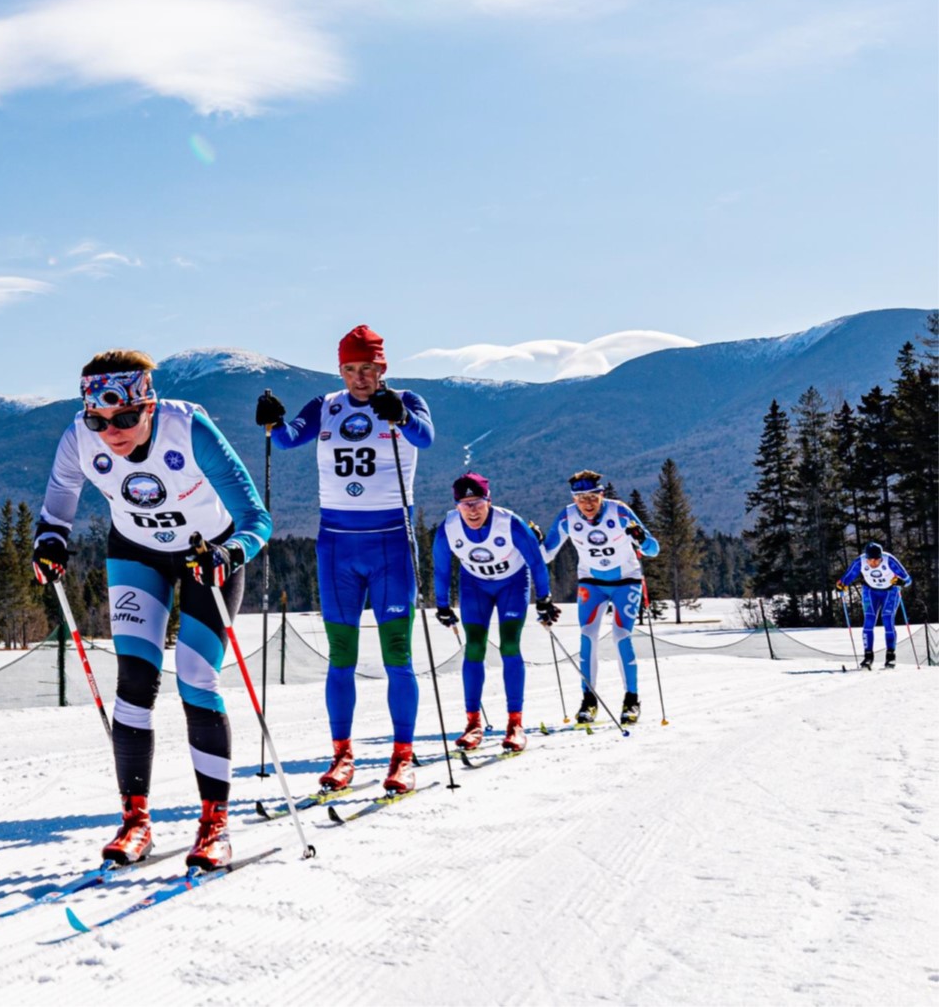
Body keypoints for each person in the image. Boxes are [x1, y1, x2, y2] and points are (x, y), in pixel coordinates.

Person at [33, 349, 271, 871]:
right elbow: (59, 502)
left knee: (195, 678)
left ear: (148, 405)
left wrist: (229, 555)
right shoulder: (79, 437)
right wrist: (50, 542)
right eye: (99, 420)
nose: (111, 431)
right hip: (136, 554)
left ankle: (214, 824)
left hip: (207, 555)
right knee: (135, 682)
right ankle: (135, 820)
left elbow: (257, 518)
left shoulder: (189, 431)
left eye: (124, 418)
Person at [254, 325, 434, 794]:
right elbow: (291, 439)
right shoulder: (327, 405)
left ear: (382, 368)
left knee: (398, 654)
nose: (359, 378)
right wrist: (273, 422)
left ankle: (402, 756)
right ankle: (342, 755)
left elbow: (427, 439)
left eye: (368, 368)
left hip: (391, 541)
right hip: (336, 544)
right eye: (351, 369)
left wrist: (401, 418)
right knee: (341, 657)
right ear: (341, 370)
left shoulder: (407, 400)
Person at [431, 473, 559, 752]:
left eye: (477, 502)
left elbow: (536, 562)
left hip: (512, 584)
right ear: (456, 507)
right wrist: (442, 605)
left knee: (510, 645)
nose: (472, 510)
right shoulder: (449, 529)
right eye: (465, 505)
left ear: (489, 501)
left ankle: (515, 723)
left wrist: (545, 598)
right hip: (474, 586)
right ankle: (472, 723)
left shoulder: (509, 523)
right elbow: (441, 568)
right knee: (474, 648)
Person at [540, 470, 659, 725]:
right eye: (581, 498)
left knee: (621, 635)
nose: (588, 503)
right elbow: (545, 555)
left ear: (601, 494)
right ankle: (589, 701)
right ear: (574, 499)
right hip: (591, 583)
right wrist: (533, 541)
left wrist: (641, 539)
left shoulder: (620, 512)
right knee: (588, 635)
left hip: (626, 581)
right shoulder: (567, 517)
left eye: (593, 496)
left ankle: (631, 700)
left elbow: (653, 550)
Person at [835, 542, 911, 669]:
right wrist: (841, 586)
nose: (874, 563)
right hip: (870, 591)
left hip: (890, 591)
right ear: (866, 558)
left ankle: (890, 656)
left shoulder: (889, 561)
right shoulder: (860, 561)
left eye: (877, 560)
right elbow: (846, 578)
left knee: (887, 619)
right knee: (869, 621)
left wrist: (901, 582)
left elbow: (908, 580)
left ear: (881, 557)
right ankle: (868, 657)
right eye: (871, 560)